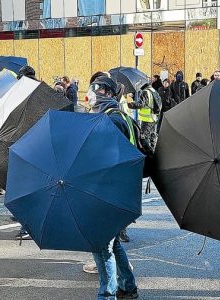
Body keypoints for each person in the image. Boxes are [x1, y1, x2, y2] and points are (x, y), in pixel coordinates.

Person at [87, 76, 139, 300]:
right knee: (112, 241)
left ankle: (107, 295)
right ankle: (128, 286)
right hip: (115, 188)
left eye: (96, 89)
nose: (92, 94)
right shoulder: (112, 115)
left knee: (101, 243)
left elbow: (110, 157)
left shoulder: (112, 118)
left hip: (108, 189)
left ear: (107, 93)